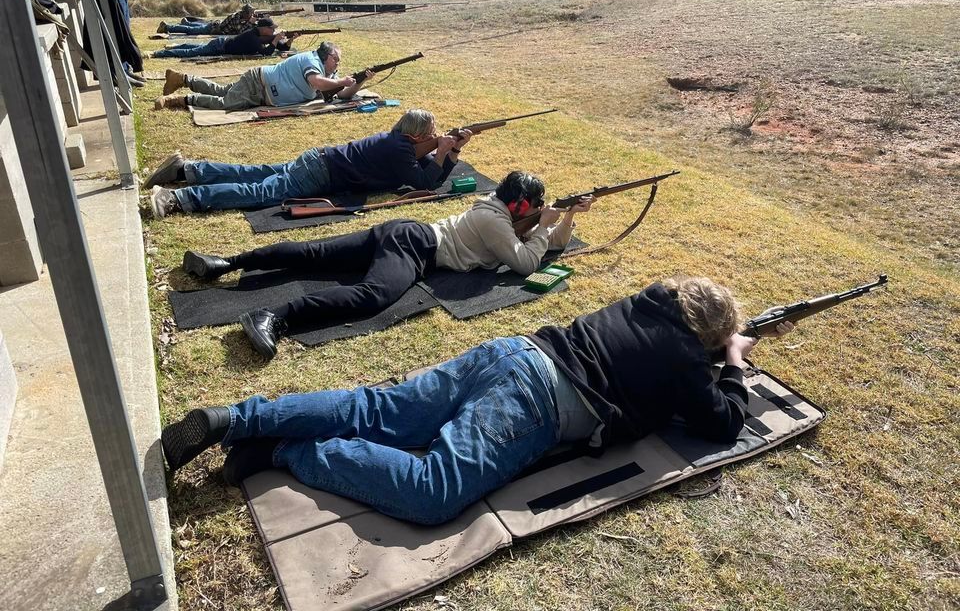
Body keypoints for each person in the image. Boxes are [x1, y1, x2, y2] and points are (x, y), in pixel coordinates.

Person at [161, 276, 794, 525]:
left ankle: (234, 417)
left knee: (374, 408)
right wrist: (734, 360)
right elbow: (721, 423)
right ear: (706, 336)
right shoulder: (690, 360)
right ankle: (286, 450)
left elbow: (653, 357)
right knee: (432, 493)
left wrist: (710, 351)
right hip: (536, 403)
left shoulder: (646, 303)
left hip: (509, 352)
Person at [174, 171, 593, 360]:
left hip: (404, 233)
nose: (538, 211)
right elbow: (524, 263)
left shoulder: (500, 212)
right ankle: (272, 316)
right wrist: (541, 228)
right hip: (416, 247)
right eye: (535, 206)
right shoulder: (493, 219)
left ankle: (224, 263)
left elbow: (551, 242)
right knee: (372, 296)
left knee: (314, 254)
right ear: (521, 204)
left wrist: (566, 215)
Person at [145, 108, 463, 218]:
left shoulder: (397, 143)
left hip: (318, 160)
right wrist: (439, 152)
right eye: (432, 134)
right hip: (319, 173)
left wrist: (451, 153)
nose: (435, 137)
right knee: (256, 192)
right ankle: (177, 197)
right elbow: (421, 183)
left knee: (254, 173)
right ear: (418, 135)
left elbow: (429, 181)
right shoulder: (400, 150)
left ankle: (186, 169)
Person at [153, 40, 369, 111]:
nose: (337, 64)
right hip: (259, 82)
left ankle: (181, 79)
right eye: (335, 59)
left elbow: (343, 95)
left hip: (263, 92)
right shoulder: (311, 61)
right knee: (226, 103)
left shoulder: (329, 74)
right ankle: (178, 100)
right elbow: (317, 83)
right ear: (325, 55)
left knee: (222, 91)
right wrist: (340, 80)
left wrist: (360, 81)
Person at [150, 19, 293, 59]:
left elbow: (282, 47)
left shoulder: (261, 35)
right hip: (219, 46)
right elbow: (265, 53)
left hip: (220, 43)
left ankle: (173, 48)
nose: (273, 31)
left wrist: (291, 39)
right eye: (271, 29)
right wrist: (275, 40)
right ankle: (159, 54)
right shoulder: (252, 37)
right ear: (263, 29)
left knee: (193, 48)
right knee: (192, 52)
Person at [157, 4, 258, 36]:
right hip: (213, 29)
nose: (252, 15)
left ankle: (179, 24)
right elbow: (240, 32)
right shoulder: (237, 17)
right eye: (251, 13)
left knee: (192, 27)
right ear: (246, 13)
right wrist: (250, 22)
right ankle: (167, 27)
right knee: (190, 30)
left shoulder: (242, 17)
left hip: (214, 25)